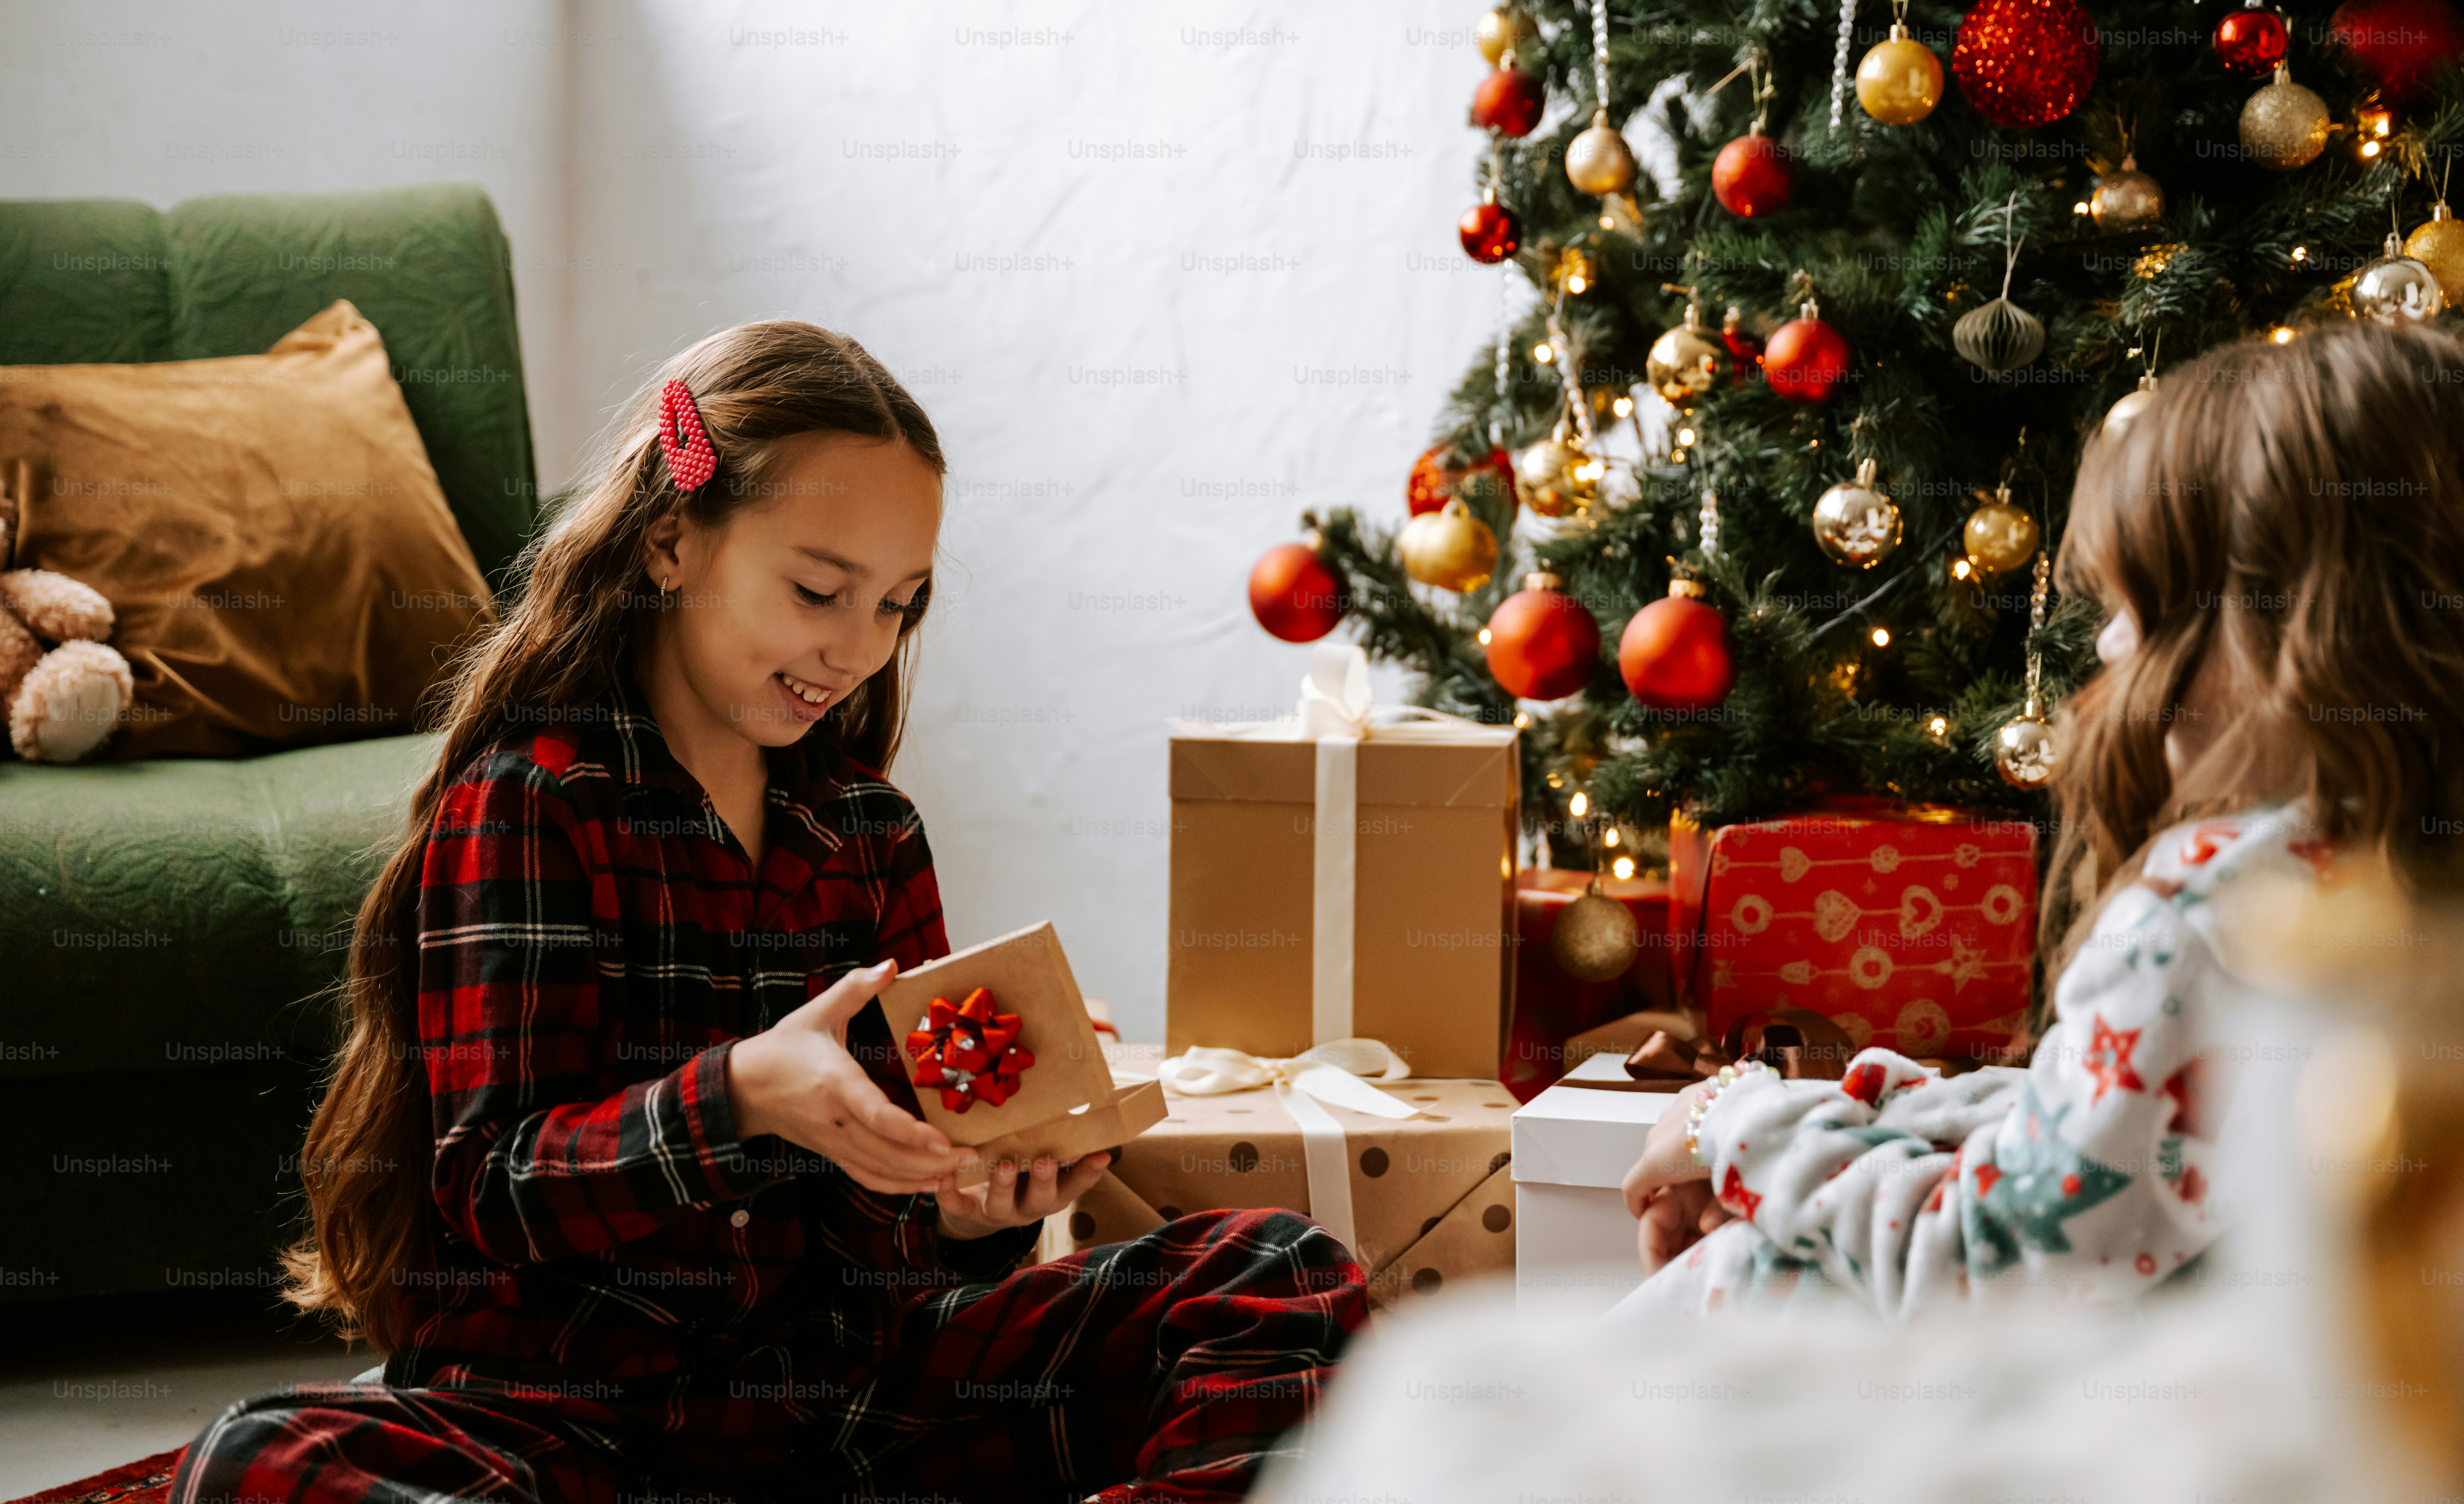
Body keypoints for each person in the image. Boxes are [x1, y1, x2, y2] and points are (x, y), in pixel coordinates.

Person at [171, 323, 1365, 1504]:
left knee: (1281, 1272)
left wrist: (973, 1207)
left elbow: (892, 1246)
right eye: (818, 590)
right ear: (670, 542)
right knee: (258, 1464)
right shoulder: (534, 803)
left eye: (899, 604)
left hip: (844, 1414)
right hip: (571, 1422)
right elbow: (496, 1188)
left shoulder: (870, 833)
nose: (856, 646)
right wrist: (739, 1094)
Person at [1618, 317, 2464, 1318]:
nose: (2109, 647)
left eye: (2141, 606)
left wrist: (1738, 1124)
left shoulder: (2221, 908)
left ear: (2290, 628)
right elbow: (2127, 1147)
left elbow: (1983, 1260)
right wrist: (1897, 1105)